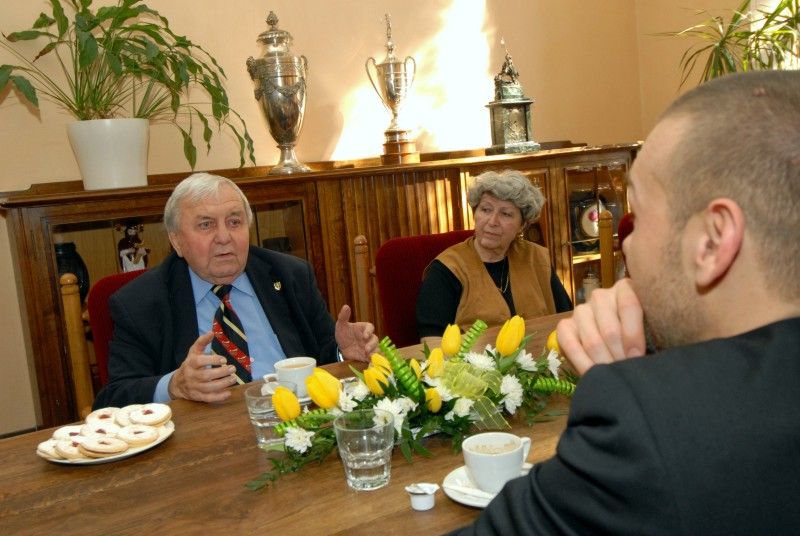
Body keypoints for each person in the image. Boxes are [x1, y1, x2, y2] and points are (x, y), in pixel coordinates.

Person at [455, 71, 800, 534]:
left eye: (638, 212)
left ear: (713, 241)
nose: (628, 247)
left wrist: (632, 391)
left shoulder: (647, 418)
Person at [94, 173, 377, 408]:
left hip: (297, 423)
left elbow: (320, 357)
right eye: (206, 225)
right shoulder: (140, 302)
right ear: (177, 241)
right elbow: (113, 398)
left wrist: (342, 353)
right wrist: (174, 384)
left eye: (234, 222)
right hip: (203, 445)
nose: (224, 237)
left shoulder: (290, 275)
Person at [416, 169, 572, 346]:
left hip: (541, 365)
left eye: (506, 214)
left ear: (523, 224)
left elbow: (567, 321)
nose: (492, 221)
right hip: (475, 371)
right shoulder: (446, 269)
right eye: (486, 209)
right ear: (475, 213)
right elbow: (431, 343)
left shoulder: (537, 259)